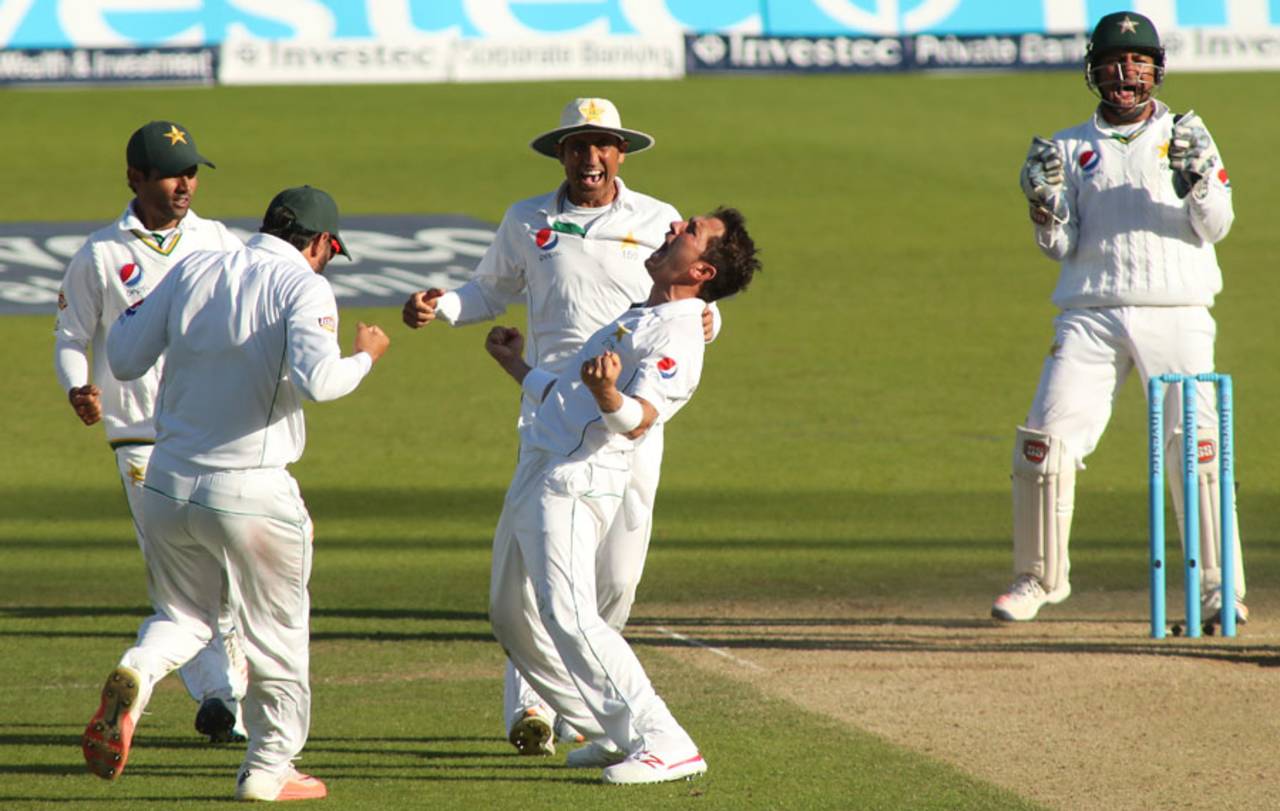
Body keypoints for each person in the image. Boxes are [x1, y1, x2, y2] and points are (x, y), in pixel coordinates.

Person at [401, 97, 719, 755]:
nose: (590, 156)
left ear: (620, 153)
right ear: (561, 154)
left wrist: (713, 323)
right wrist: (444, 306)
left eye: (602, 143)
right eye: (577, 144)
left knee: (616, 578)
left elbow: (698, 303)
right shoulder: (529, 219)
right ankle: (537, 707)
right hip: (551, 410)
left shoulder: (659, 220)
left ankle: (601, 715)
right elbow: (488, 289)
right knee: (534, 581)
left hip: (630, 416)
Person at [83, 186, 390, 802]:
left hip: (167, 482)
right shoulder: (304, 284)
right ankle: (269, 769)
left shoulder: (197, 264)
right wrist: (365, 357)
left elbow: (120, 358)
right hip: (250, 489)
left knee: (185, 617)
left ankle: (138, 675)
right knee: (278, 632)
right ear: (323, 243)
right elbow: (320, 383)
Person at [484, 208, 759, 784]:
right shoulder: (640, 312)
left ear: (703, 271)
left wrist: (610, 392)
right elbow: (568, 396)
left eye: (688, 232)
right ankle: (612, 731)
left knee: (570, 613)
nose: (672, 230)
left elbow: (638, 420)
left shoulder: (680, 334)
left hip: (577, 479)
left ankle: (664, 739)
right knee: (510, 616)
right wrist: (518, 366)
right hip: (539, 463)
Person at [994, 11, 1244, 624]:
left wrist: (1197, 183)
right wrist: (1043, 206)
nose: (1124, 73)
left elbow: (1218, 226)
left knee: (1197, 452)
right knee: (1045, 445)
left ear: (1156, 69)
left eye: (1137, 62)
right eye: (1112, 61)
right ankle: (1038, 578)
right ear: (1093, 70)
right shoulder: (1068, 146)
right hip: (1090, 314)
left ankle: (1219, 594)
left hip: (1178, 312)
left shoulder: (1190, 135)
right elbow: (1059, 247)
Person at [54, 120, 249, 743]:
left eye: (191, 171)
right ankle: (221, 697)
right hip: (140, 438)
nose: (185, 183)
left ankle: (218, 697)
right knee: (191, 585)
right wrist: (77, 386)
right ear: (135, 177)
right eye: (171, 173)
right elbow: (70, 338)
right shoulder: (101, 254)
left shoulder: (219, 241)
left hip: (215, 434)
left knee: (223, 581)